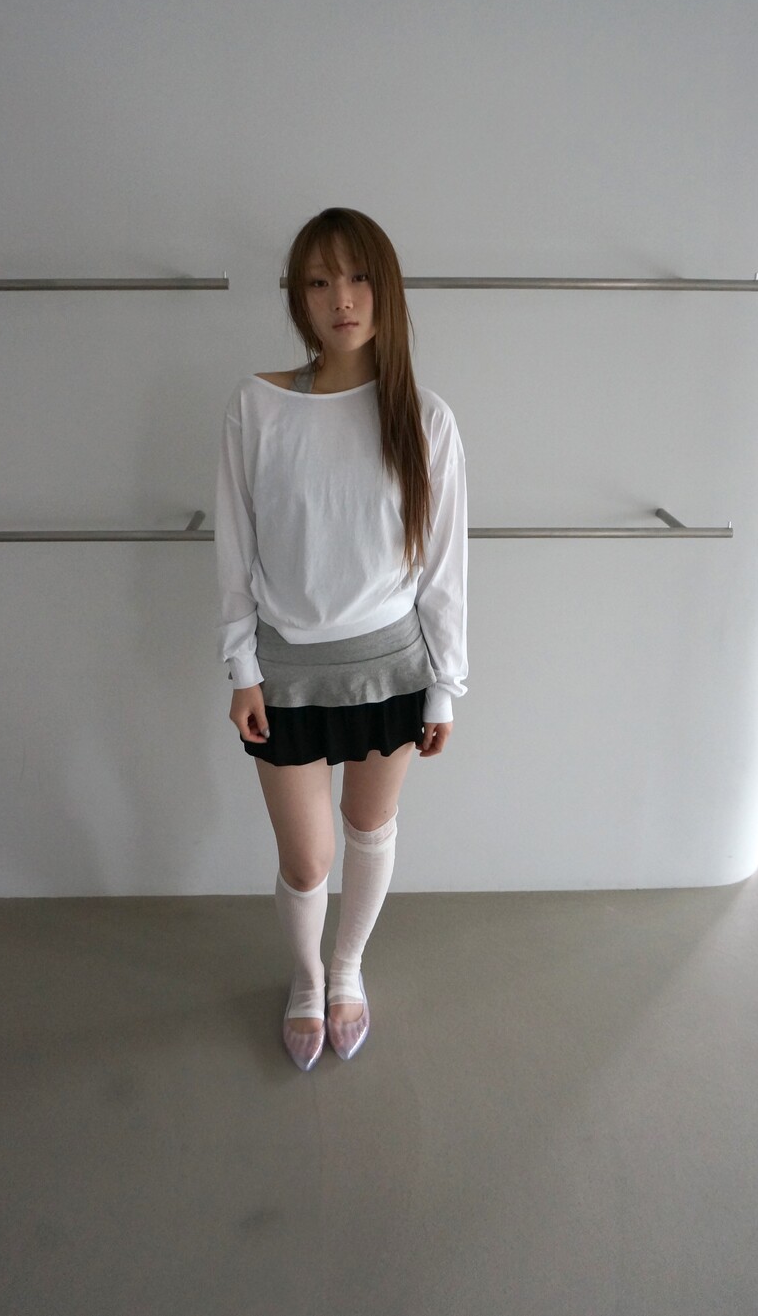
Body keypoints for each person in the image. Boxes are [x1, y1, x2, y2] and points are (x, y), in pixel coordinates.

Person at [214, 207, 468, 1071]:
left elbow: (444, 569)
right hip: (284, 670)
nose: (341, 299)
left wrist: (446, 686)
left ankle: (347, 967)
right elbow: (235, 549)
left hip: (391, 666)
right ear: (299, 296)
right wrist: (241, 667)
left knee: (369, 824)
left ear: (385, 288)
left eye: (357, 277)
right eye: (319, 281)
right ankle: (305, 974)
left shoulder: (425, 418)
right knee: (306, 856)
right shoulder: (258, 405)